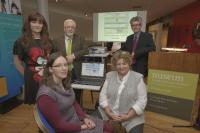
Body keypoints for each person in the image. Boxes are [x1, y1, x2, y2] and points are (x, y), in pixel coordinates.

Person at [36, 52, 114, 133]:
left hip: (76, 119)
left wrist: (84, 118)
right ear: (50, 69)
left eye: (65, 65)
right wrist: (81, 127)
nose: (64, 68)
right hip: (66, 128)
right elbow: (59, 126)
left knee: (110, 128)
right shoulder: (46, 96)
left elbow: (73, 103)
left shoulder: (64, 82)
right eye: (58, 65)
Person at [94, 51, 147, 133]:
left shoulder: (138, 78)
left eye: (124, 63)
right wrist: (109, 113)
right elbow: (102, 96)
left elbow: (142, 101)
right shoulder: (110, 75)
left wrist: (128, 116)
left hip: (131, 115)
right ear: (115, 65)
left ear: (129, 64)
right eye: (119, 64)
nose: (121, 67)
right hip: (108, 111)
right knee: (90, 124)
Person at [13, 12, 55, 104]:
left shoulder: (48, 41)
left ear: (43, 25)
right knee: (37, 104)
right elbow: (16, 62)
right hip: (32, 78)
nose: (37, 25)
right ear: (28, 24)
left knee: (50, 102)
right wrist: (27, 76)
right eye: (34, 22)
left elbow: (53, 59)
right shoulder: (20, 41)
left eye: (40, 23)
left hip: (48, 77)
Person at [53, 19, 89, 103]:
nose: (70, 29)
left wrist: (73, 55)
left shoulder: (80, 38)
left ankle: (78, 110)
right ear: (64, 28)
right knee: (62, 92)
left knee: (77, 94)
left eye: (72, 27)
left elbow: (86, 50)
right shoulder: (56, 40)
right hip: (62, 71)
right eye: (68, 27)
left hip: (76, 70)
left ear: (75, 28)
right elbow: (53, 55)